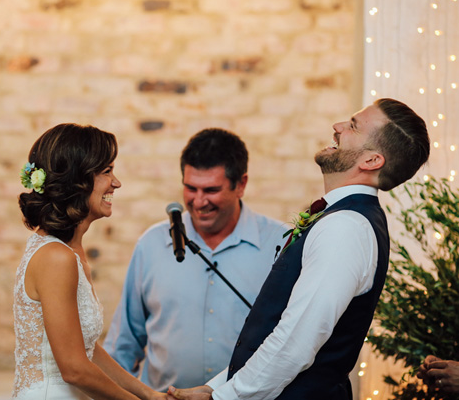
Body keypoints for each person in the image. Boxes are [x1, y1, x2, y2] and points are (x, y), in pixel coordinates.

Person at [168, 98, 431, 400]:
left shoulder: (345, 227)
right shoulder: (343, 218)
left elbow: (296, 341)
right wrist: (216, 386)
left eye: (353, 126)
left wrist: (223, 398)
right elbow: (275, 328)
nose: (337, 126)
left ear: (371, 161)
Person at [104, 128, 288, 391]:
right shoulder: (152, 244)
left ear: (242, 184)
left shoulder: (280, 243)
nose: (199, 202)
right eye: (191, 188)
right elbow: (124, 343)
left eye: (211, 190)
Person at [12, 123, 167, 400]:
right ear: (77, 180)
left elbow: (86, 349)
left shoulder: (68, 251)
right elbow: (74, 369)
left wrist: (149, 394)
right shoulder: (55, 258)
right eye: (107, 171)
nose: (116, 182)